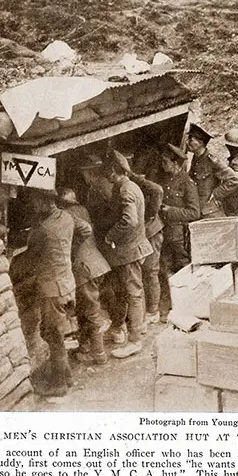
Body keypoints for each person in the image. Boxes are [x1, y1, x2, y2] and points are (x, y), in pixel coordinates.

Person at [27, 189, 91, 397]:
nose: (34, 206)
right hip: (67, 283)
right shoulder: (67, 217)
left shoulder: (42, 229)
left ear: (46, 202)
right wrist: (69, 252)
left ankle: (59, 384)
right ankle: (68, 376)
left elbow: (31, 256)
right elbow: (87, 230)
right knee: (55, 333)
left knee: (52, 336)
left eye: (36, 202)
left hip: (51, 289)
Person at [101, 151, 153, 359]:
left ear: (115, 170)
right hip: (133, 247)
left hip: (128, 250)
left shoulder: (125, 190)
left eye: (109, 172)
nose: (107, 177)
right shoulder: (132, 186)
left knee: (133, 293)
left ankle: (135, 340)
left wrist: (111, 235)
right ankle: (132, 328)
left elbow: (129, 220)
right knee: (130, 292)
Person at [56, 187, 111, 365]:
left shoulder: (66, 216)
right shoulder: (82, 209)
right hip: (97, 265)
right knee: (85, 309)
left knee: (92, 311)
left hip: (85, 268)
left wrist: (73, 250)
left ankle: (99, 354)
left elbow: (86, 230)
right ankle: (85, 347)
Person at [115, 152, 165, 331]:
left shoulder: (135, 183)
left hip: (151, 231)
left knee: (151, 272)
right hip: (144, 232)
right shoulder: (129, 185)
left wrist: (151, 215)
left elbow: (158, 191)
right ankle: (144, 314)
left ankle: (153, 311)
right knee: (142, 275)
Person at [158, 143, 200, 323]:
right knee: (164, 271)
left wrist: (170, 210)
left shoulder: (187, 183)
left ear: (176, 163)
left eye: (166, 162)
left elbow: (194, 213)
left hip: (180, 236)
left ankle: (189, 308)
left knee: (183, 271)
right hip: (166, 233)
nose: (163, 165)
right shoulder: (167, 179)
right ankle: (169, 309)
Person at [186, 123, 219, 218]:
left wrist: (216, 194)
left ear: (200, 143)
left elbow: (234, 180)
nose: (188, 143)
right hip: (198, 209)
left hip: (209, 212)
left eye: (191, 140)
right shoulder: (196, 158)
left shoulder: (211, 160)